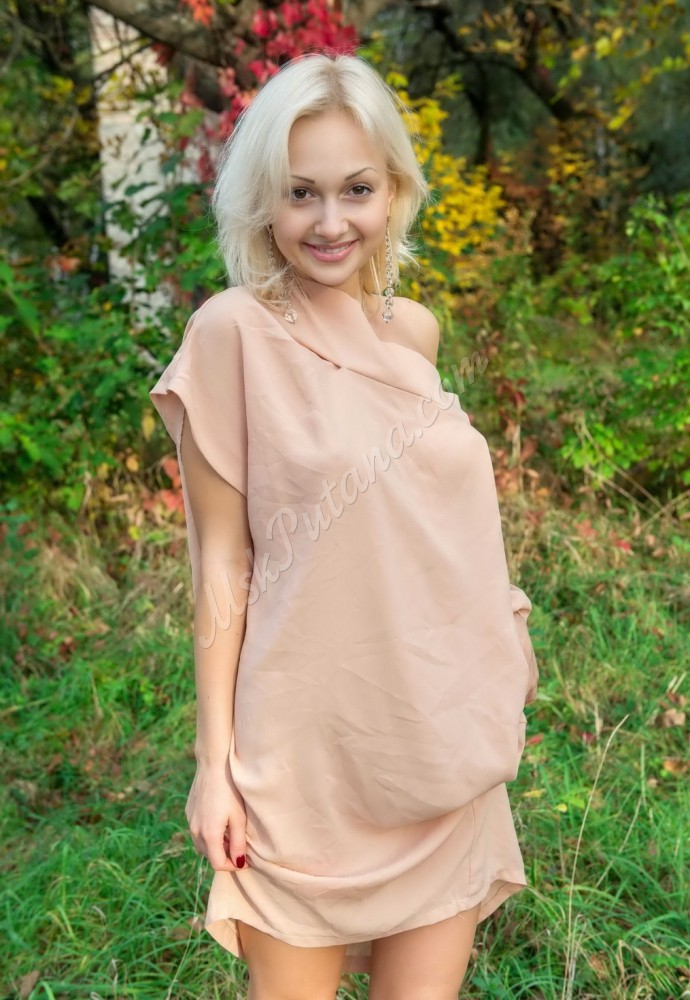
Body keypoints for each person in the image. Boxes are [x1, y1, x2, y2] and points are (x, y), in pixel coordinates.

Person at [150, 52, 538, 1000]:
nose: (330, 222)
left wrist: (502, 655)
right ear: (264, 203)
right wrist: (214, 767)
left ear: (394, 190)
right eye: (301, 193)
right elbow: (221, 561)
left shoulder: (415, 332)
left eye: (356, 189)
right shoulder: (231, 333)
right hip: (303, 764)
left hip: (435, 738)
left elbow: (428, 528)